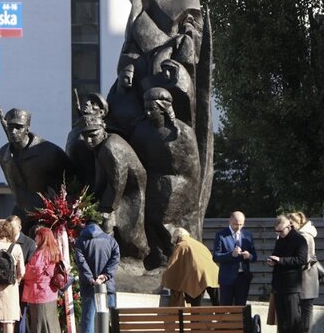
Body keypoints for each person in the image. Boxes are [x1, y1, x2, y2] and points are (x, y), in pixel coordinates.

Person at [129, 87, 201, 266]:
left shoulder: (182, 131)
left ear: (163, 108)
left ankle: (177, 260)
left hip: (177, 184)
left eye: (151, 108)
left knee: (164, 222)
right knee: (148, 220)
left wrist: (180, 191)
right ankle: (158, 260)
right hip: (150, 182)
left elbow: (192, 169)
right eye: (145, 108)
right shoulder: (141, 130)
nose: (147, 112)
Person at [78, 113, 149, 259]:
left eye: (92, 134)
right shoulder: (99, 147)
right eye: (84, 136)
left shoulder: (111, 147)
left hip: (130, 191)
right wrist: (92, 198)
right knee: (107, 222)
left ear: (103, 128)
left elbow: (118, 182)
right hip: (116, 189)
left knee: (130, 231)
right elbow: (102, 178)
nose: (88, 140)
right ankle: (108, 255)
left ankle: (132, 258)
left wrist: (107, 208)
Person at [0, 108, 75, 225]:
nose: (13, 132)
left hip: (47, 214)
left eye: (18, 127)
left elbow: (72, 179)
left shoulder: (49, 152)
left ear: (27, 129)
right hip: (21, 211)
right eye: (10, 127)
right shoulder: (4, 154)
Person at [75, 222, 120, 333]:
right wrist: (105, 276)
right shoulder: (110, 240)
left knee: (88, 319)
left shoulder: (80, 241)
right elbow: (115, 259)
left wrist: (90, 279)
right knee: (111, 319)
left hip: (89, 286)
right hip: (107, 286)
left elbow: (81, 263)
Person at [267, 215, 308, 333]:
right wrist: (272, 262)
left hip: (291, 286)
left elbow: (301, 260)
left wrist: (280, 260)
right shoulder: (280, 239)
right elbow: (276, 254)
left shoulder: (299, 239)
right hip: (278, 285)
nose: (279, 233)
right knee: (282, 321)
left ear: (289, 226)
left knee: (293, 320)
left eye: (281, 231)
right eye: (276, 231)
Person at [161, 228, 219, 306]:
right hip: (213, 274)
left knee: (195, 305)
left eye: (174, 241)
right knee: (217, 302)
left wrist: (164, 281)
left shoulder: (181, 245)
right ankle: (222, 317)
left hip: (196, 275)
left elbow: (172, 266)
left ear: (177, 238)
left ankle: (195, 318)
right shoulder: (199, 244)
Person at [22, 227, 62, 333]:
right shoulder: (54, 250)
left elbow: (33, 270)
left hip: (39, 292)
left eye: (37, 235)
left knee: (40, 322)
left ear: (42, 237)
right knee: (51, 321)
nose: (35, 238)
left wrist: (22, 271)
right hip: (50, 291)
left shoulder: (41, 252)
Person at [213, 211, 257, 305]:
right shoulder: (221, 235)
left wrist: (249, 256)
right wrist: (231, 255)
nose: (238, 227)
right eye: (236, 224)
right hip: (227, 278)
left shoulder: (247, 235)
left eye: (241, 224)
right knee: (226, 307)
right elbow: (216, 257)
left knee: (241, 307)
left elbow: (255, 256)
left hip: (243, 277)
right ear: (230, 221)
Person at [288, 212, 319, 333]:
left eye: (291, 223)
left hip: (306, 276)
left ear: (298, 223)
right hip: (302, 276)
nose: (289, 226)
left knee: (306, 309)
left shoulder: (305, 236)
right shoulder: (297, 235)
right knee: (301, 309)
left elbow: (305, 258)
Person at [9, 214, 36, 333]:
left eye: (12, 227)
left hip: (21, 286)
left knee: (20, 315)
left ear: (19, 227)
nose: (9, 230)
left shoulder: (29, 243)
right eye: (7, 227)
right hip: (5, 286)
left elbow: (31, 265)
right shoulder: (3, 241)